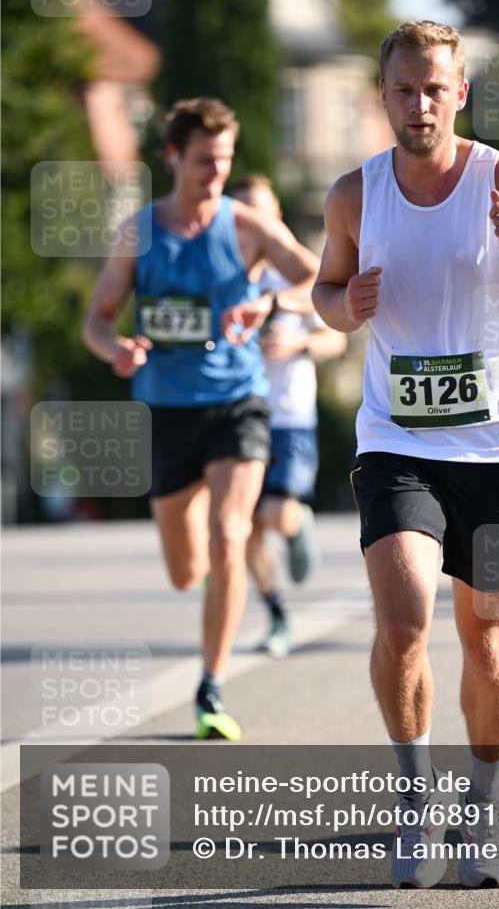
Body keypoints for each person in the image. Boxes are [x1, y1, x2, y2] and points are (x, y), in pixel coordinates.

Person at [312, 21, 499, 889]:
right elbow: (323, 291)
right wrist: (345, 305)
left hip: (494, 444)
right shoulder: (354, 195)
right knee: (403, 619)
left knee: (486, 636)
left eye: (434, 89)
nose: (419, 105)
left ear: (459, 93)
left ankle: (481, 808)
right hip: (395, 438)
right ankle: (415, 802)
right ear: (382, 95)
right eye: (403, 89)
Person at [83, 98, 317, 740]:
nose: (217, 172)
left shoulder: (248, 227)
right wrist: (115, 349)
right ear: (172, 158)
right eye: (204, 161)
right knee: (187, 570)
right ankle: (221, 575)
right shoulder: (139, 233)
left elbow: (321, 279)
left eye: (224, 159)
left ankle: (210, 687)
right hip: (166, 410)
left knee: (228, 537)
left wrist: (270, 301)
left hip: (238, 403)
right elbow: (97, 318)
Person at [228, 174, 346, 657]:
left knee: (276, 513)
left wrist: (296, 344)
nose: (252, 222)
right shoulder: (226, 277)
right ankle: (277, 614)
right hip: (237, 415)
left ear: (275, 213)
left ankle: (298, 525)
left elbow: (335, 338)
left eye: (260, 211)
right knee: (245, 527)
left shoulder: (296, 277)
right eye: (241, 214)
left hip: (291, 416)